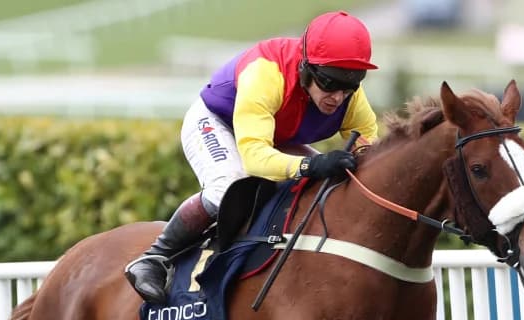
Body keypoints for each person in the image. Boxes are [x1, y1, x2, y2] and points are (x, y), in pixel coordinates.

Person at [125, 10, 381, 303]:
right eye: (329, 83)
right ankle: (155, 257)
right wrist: (312, 163)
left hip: (272, 136)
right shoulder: (266, 73)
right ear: (306, 68)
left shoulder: (348, 97)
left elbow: (368, 149)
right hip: (218, 123)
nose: (337, 97)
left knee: (329, 183)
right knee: (229, 186)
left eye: (349, 85)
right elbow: (256, 158)